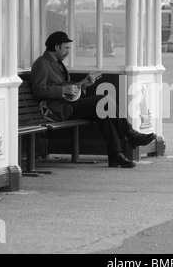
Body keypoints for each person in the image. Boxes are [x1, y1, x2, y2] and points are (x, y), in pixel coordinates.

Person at [30, 31, 156, 168]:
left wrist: (84, 86)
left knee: (104, 115)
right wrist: (63, 90)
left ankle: (116, 156)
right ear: (56, 47)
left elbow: (66, 90)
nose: (68, 52)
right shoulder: (41, 64)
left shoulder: (57, 63)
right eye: (66, 48)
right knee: (104, 101)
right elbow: (38, 90)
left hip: (67, 105)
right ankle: (131, 135)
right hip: (57, 110)